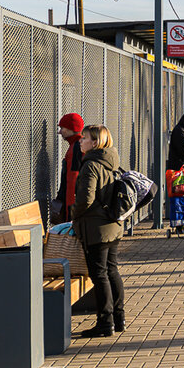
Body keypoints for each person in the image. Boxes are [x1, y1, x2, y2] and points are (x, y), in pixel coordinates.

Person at [72, 125, 124, 337]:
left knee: (99, 274)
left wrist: (74, 212)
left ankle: (105, 322)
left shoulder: (91, 165)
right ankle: (118, 319)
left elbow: (85, 199)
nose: (80, 141)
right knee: (112, 270)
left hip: (96, 228)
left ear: (95, 142)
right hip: (113, 225)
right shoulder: (112, 160)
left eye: (84, 138)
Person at [55, 112, 84, 224]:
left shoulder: (75, 148)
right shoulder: (78, 145)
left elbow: (72, 180)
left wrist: (69, 210)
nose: (60, 132)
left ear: (71, 128)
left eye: (62, 128)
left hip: (73, 202)